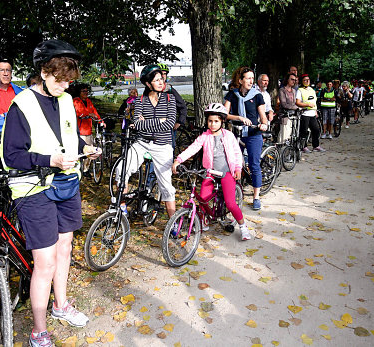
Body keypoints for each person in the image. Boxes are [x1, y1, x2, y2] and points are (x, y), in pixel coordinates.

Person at [0, 40, 100, 346]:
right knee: (44, 262)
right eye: (59, 79)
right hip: (33, 188)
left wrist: (86, 148)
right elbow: (11, 156)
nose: (64, 85)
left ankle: (61, 305)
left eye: (69, 80)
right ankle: (38, 330)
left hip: (66, 184)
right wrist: (49, 160)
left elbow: (68, 138)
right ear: (44, 72)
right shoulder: (22, 105)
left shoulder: (68, 99)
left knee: (65, 249)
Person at [172, 103, 251, 240]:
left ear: (222, 121)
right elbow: (193, 148)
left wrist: (237, 168)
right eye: (210, 121)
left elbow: (237, 153)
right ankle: (204, 219)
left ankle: (243, 226)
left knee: (231, 203)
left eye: (216, 121)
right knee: (202, 197)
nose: (212, 124)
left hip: (227, 172)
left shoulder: (229, 136)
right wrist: (179, 160)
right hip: (210, 172)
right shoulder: (205, 136)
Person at [115, 64, 177, 219]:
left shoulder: (170, 98)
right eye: (157, 80)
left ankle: (173, 222)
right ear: (149, 84)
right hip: (142, 143)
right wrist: (159, 120)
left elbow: (170, 124)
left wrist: (146, 122)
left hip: (162, 145)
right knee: (121, 169)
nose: (162, 82)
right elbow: (137, 124)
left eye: (162, 79)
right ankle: (121, 207)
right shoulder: (140, 100)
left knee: (166, 187)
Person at [224, 66, 269, 211]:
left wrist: (264, 124)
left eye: (252, 78)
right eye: (248, 78)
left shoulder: (257, 95)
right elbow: (224, 114)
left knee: (254, 165)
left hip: (253, 134)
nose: (251, 81)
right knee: (232, 163)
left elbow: (262, 116)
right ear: (240, 80)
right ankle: (233, 192)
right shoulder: (232, 94)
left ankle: (256, 197)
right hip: (236, 133)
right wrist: (239, 118)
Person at [73, 83, 105, 176]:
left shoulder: (89, 101)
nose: (86, 93)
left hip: (88, 130)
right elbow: (79, 112)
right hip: (80, 131)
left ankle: (86, 169)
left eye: (87, 91)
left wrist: (101, 121)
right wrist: (89, 114)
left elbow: (95, 112)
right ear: (79, 92)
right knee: (80, 152)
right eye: (83, 91)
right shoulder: (76, 101)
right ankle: (77, 169)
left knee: (89, 152)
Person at [296, 74, 325, 153]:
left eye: (308, 80)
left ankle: (316, 146)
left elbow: (314, 101)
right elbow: (298, 102)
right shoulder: (299, 90)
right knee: (304, 131)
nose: (307, 81)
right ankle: (303, 146)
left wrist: (315, 110)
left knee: (316, 130)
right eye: (305, 80)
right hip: (304, 113)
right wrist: (307, 105)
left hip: (312, 113)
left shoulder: (312, 90)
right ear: (302, 81)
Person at [277, 73, 298, 144]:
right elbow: (284, 104)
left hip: (293, 115)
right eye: (292, 79)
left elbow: (294, 102)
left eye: (295, 80)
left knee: (291, 135)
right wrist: (296, 107)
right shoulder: (282, 90)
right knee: (284, 136)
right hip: (285, 115)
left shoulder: (294, 91)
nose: (293, 81)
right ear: (287, 80)